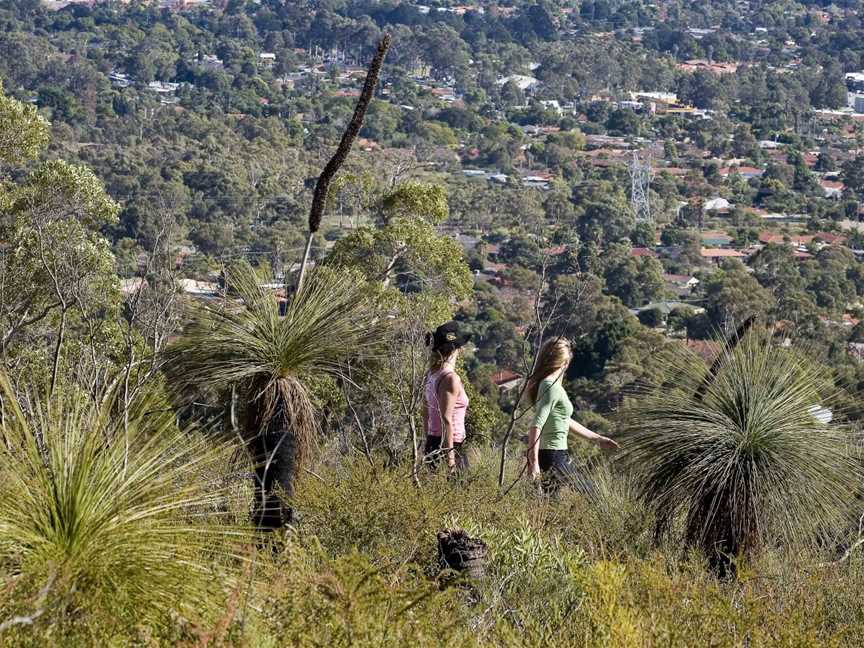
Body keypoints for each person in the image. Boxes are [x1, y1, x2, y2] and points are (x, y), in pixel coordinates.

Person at [525, 337, 619, 491]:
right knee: (592, 494)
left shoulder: (547, 384)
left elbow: (565, 420)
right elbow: (536, 425)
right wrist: (533, 463)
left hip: (553, 454)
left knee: (550, 506)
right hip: (553, 455)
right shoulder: (550, 386)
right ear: (565, 362)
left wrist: (598, 439)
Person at [421, 321, 471, 472]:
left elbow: (425, 414)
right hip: (451, 445)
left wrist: (429, 444)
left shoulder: (431, 375)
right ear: (455, 350)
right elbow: (446, 419)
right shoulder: (450, 378)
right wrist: (450, 461)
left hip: (433, 443)